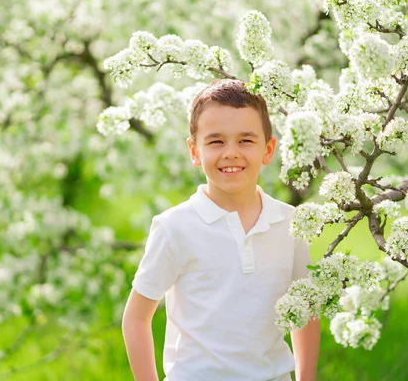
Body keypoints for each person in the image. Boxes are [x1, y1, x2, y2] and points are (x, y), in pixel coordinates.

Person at [121, 79, 321, 381]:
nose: (231, 152)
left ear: (268, 150)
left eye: (245, 141)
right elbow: (136, 318)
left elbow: (305, 310)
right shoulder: (174, 228)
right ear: (195, 151)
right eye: (216, 141)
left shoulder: (290, 223)